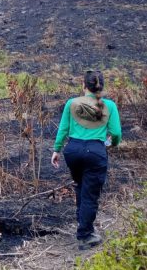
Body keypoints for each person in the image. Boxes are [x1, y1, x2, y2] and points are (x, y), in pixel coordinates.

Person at [51, 70, 122, 250]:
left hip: (73, 151)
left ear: (83, 86)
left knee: (81, 186)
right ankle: (85, 235)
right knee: (90, 193)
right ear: (102, 87)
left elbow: (63, 129)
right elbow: (116, 134)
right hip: (95, 151)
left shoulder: (71, 103)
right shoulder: (110, 106)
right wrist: (110, 143)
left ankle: (83, 224)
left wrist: (56, 150)